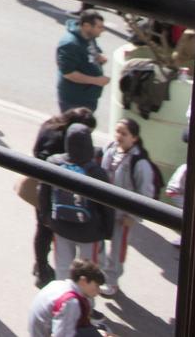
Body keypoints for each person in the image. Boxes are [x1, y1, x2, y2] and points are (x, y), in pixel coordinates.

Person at [30, 106, 98, 287]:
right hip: (54, 191)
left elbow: (36, 150)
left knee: (42, 228)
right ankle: (43, 270)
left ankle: (40, 265)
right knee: (47, 229)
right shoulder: (63, 141)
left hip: (41, 185)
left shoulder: (49, 125)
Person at [45, 123, 114, 280]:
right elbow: (107, 207)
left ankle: (64, 300)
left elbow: (44, 194)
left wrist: (47, 217)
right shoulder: (96, 172)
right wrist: (108, 231)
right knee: (89, 273)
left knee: (62, 269)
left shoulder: (53, 163)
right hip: (90, 232)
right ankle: (85, 303)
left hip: (61, 226)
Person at [99, 118, 159, 296]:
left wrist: (133, 217)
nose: (119, 136)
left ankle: (112, 281)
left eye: (124, 133)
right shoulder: (109, 148)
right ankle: (100, 274)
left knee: (117, 249)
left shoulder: (140, 163)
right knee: (97, 244)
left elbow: (146, 193)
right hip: (104, 209)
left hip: (123, 216)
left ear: (134, 138)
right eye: (117, 131)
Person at [27, 259, 108, 336]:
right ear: (83, 281)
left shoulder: (59, 284)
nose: (98, 290)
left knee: (100, 328)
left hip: (40, 330)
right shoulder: (70, 302)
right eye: (96, 286)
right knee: (103, 331)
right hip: (46, 333)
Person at [57, 8, 111, 114]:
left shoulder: (89, 36)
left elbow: (91, 51)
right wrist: (97, 81)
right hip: (74, 100)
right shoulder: (70, 44)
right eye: (99, 27)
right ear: (86, 26)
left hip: (88, 97)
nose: (102, 30)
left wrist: (99, 57)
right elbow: (69, 74)